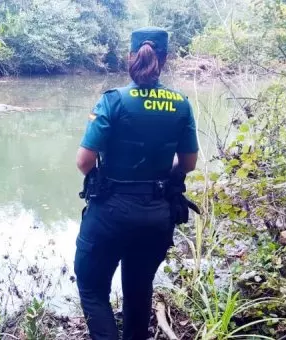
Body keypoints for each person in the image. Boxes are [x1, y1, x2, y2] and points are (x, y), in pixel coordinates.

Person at [74, 27, 199, 340]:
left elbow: (83, 162)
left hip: (110, 215)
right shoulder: (181, 103)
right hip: (157, 216)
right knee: (139, 289)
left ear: (130, 56)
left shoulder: (113, 101)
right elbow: (188, 164)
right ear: (165, 59)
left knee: (91, 289)